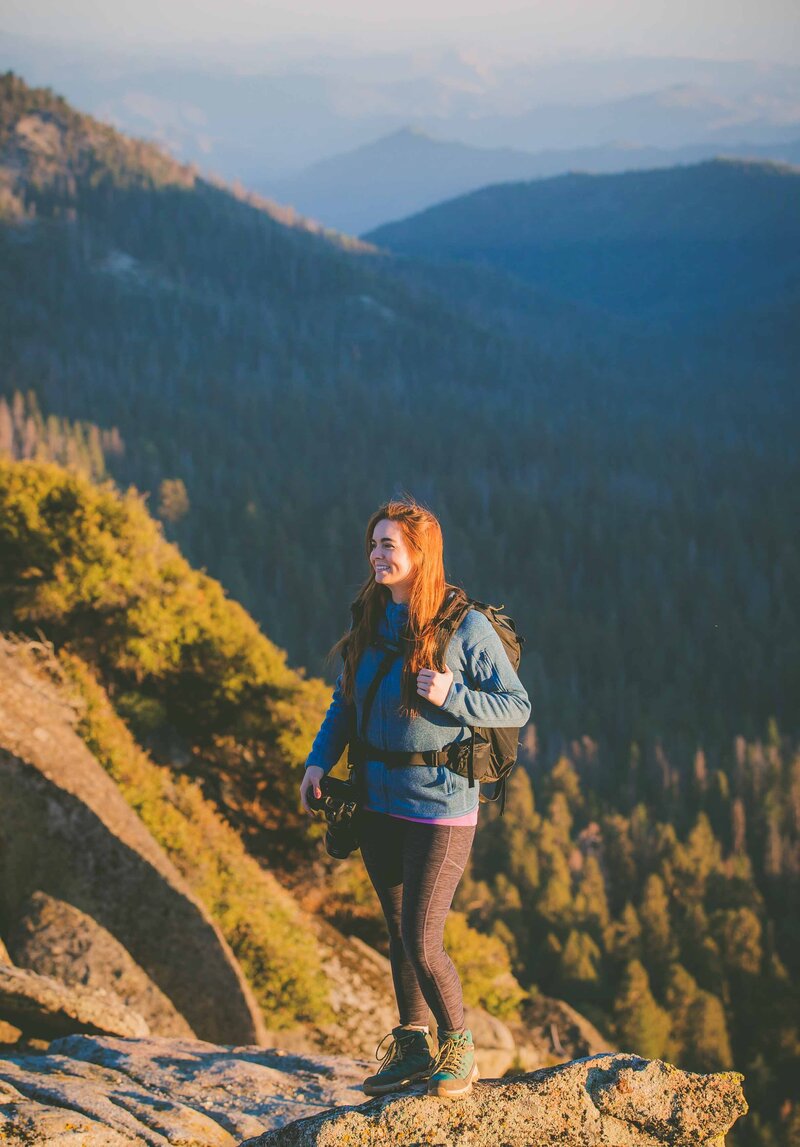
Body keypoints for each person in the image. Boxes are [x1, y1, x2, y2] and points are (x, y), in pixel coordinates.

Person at [299, 497, 531, 1100]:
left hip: (441, 808)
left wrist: (454, 695)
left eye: (389, 545)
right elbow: (345, 703)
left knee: (425, 939)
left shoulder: (465, 627)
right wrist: (319, 760)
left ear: (420, 555)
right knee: (400, 934)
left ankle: (460, 1050)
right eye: (373, 544)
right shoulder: (372, 618)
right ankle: (411, 1049)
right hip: (377, 805)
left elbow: (517, 705)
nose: (377, 555)